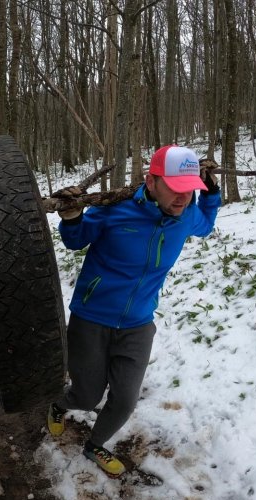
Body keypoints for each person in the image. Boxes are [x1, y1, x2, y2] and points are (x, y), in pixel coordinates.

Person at [46, 145, 221, 477]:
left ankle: (95, 444)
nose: (183, 198)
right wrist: (71, 218)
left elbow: (206, 224)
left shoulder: (187, 215)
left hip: (139, 323)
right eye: (176, 189)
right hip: (92, 317)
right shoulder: (116, 209)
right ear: (151, 180)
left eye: (191, 190)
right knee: (86, 395)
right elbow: (76, 239)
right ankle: (59, 404)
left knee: (125, 400)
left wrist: (211, 194)